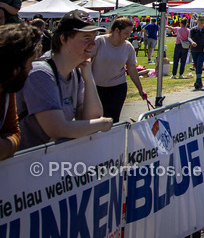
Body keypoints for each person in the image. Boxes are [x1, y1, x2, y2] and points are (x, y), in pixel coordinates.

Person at [16, 11, 113, 150]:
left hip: (46, 162)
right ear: (63, 39)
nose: (93, 44)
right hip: (19, 165)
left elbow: (91, 117)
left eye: (94, 38)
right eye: (86, 38)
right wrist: (104, 124)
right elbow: (58, 129)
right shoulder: (40, 73)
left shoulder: (75, 73)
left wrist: (88, 77)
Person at [90, 17, 147, 121]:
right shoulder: (99, 42)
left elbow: (132, 69)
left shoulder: (128, 47)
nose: (128, 36)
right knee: (96, 119)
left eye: (130, 33)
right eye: (126, 33)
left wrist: (140, 89)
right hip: (96, 87)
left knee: (112, 119)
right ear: (117, 30)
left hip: (117, 87)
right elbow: (86, 61)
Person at [0, 24, 40, 160]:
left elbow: (13, 132)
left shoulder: (6, 89)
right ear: (14, 68)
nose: (31, 68)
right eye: (30, 62)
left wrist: (4, 147)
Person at [189, 15, 204, 90]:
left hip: (202, 50)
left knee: (200, 63)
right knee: (196, 65)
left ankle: (197, 81)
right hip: (194, 49)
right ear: (197, 21)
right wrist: (192, 42)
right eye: (200, 20)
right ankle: (199, 81)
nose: (202, 21)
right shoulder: (193, 29)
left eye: (203, 20)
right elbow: (189, 37)